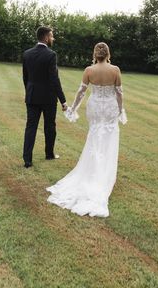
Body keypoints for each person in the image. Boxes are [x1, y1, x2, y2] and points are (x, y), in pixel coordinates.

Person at [46, 42, 127, 217]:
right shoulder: (115, 70)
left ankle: (92, 171)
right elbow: (119, 93)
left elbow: (81, 92)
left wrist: (73, 108)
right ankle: (103, 174)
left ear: (95, 54)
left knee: (94, 137)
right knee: (109, 139)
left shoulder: (89, 70)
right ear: (107, 54)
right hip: (110, 108)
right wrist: (121, 110)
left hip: (96, 106)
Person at [22, 26, 68, 168]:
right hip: (48, 97)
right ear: (46, 37)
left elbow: (26, 77)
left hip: (32, 95)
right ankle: (49, 154)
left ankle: (27, 160)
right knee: (49, 126)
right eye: (52, 36)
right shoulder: (51, 55)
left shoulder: (27, 54)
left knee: (31, 127)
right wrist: (63, 100)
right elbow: (54, 79)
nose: (53, 38)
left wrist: (29, 91)